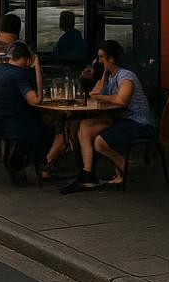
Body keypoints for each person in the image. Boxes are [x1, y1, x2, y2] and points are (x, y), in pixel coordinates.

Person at [62, 39, 156, 193]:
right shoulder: (110, 77)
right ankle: (87, 173)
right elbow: (93, 94)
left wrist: (102, 97)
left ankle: (123, 165)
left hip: (138, 123)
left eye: (101, 58)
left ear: (111, 59)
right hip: (121, 119)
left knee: (99, 142)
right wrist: (101, 73)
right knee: (85, 126)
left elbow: (121, 100)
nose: (98, 61)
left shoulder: (125, 76)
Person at [0, 42, 65, 180]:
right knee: (46, 128)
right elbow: (36, 100)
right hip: (10, 126)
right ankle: (42, 166)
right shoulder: (18, 73)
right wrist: (37, 66)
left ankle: (25, 162)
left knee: (38, 122)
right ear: (24, 58)